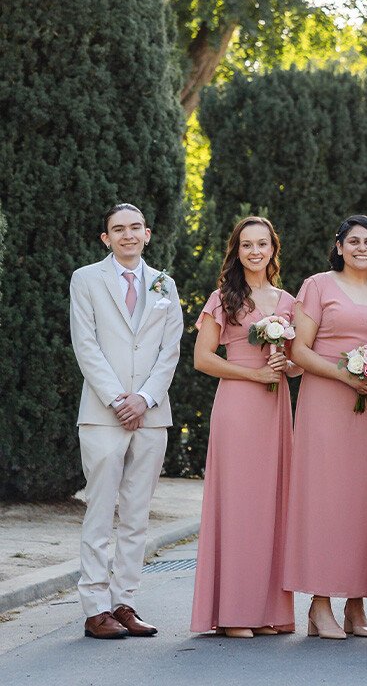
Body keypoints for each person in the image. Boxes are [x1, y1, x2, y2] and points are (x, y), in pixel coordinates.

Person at [283, 215, 367, 640]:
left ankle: (356, 603)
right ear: (338, 246)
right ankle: (320, 604)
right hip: (325, 402)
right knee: (326, 498)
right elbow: (298, 349)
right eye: (353, 241)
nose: (361, 248)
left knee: (364, 499)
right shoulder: (317, 285)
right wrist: (343, 373)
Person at [69, 202, 184, 640]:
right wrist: (120, 400)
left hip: (152, 416)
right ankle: (95, 606)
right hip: (103, 415)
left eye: (135, 228)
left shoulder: (164, 285)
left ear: (148, 234)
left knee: (137, 515)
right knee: (100, 510)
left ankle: (125, 602)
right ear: (106, 238)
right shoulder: (86, 279)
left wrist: (146, 398)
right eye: (119, 229)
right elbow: (86, 344)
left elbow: (168, 350)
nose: (128, 235)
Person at [191, 216, 301, 637]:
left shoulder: (289, 301)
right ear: (236, 251)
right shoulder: (223, 297)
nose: (255, 251)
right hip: (238, 406)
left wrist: (285, 365)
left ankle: (268, 611)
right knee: (238, 505)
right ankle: (235, 612)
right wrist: (254, 375)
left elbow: (294, 363)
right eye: (246, 245)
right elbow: (203, 358)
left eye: (262, 244)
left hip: (276, 411)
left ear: (273, 249)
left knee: (272, 504)